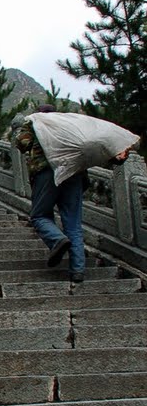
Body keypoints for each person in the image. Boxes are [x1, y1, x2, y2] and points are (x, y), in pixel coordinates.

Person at [14, 106, 134, 284]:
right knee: (73, 223)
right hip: (75, 174)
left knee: (39, 215)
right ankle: (77, 271)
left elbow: (21, 143)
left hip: (47, 173)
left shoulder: (35, 122)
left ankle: (57, 240)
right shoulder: (69, 125)